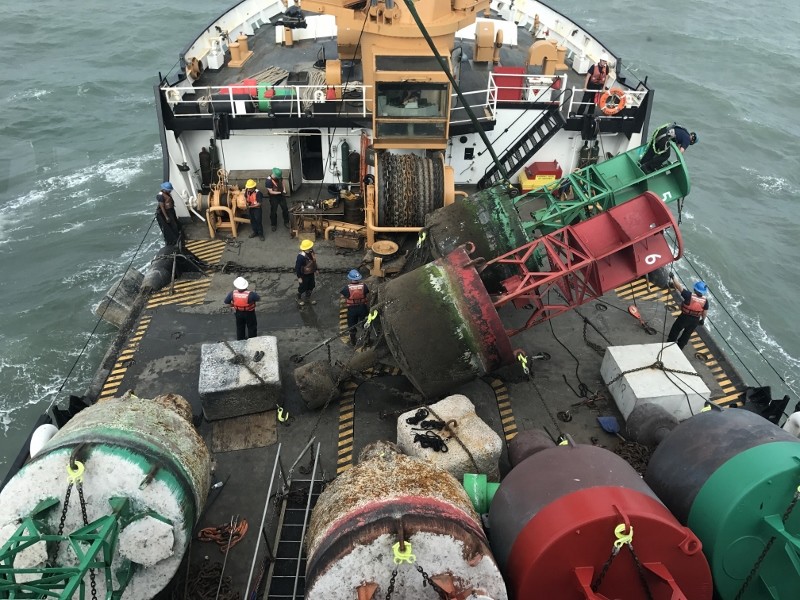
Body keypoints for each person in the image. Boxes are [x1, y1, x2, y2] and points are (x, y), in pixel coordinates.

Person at [667, 276, 709, 349]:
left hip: (684, 317)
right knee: (687, 334)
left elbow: (679, 287)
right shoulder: (705, 301)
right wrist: (702, 320)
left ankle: (669, 343)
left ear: (695, 289)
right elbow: (704, 313)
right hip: (695, 320)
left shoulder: (688, 295)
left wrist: (673, 277)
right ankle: (680, 347)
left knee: (675, 330)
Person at [340, 269, 369, 345]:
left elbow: (344, 295)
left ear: (350, 278)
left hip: (352, 309)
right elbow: (366, 293)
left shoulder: (347, 288)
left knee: (352, 325)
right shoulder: (364, 286)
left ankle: (353, 341)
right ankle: (367, 340)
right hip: (362, 307)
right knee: (365, 323)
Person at [155, 182, 183, 247]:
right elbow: (162, 207)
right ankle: (176, 238)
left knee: (175, 222)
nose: (170, 191)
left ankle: (179, 234)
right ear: (164, 189)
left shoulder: (166, 193)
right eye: (169, 190)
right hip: (167, 212)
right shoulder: (160, 196)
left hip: (171, 210)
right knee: (173, 225)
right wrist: (166, 217)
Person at [265, 167, 290, 232]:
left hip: (281, 195)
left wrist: (284, 189)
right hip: (273, 197)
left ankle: (286, 222)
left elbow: (282, 182)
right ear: (274, 175)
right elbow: (271, 192)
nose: (279, 178)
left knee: (285, 209)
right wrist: (280, 192)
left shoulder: (279, 177)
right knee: (273, 211)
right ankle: (273, 224)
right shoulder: (268, 181)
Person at [295, 239, 317, 306]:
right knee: (303, 287)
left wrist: (316, 269)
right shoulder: (300, 257)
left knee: (311, 285)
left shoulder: (311, 252)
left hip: (311, 273)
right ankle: (298, 297)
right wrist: (299, 277)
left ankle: (308, 297)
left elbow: (314, 262)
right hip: (303, 275)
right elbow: (297, 267)